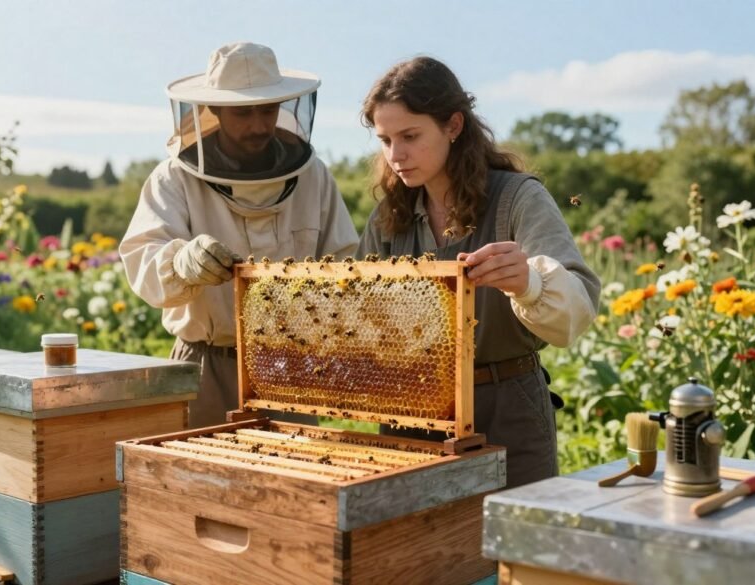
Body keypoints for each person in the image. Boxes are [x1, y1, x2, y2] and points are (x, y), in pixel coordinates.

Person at [358, 56, 600, 489]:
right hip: (411, 410)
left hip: (506, 407)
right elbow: (359, 320)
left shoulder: (517, 198)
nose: (396, 155)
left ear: (453, 125)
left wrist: (529, 282)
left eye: (410, 136)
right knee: (416, 552)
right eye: (385, 140)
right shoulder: (386, 218)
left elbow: (576, 309)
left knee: (511, 551)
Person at [120, 42, 358, 428]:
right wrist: (181, 262)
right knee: (197, 484)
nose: (259, 125)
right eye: (243, 113)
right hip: (206, 365)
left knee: (294, 484)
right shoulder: (174, 178)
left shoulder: (313, 176)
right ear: (214, 109)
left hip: (290, 368)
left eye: (267, 110)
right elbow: (143, 261)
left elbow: (347, 264)